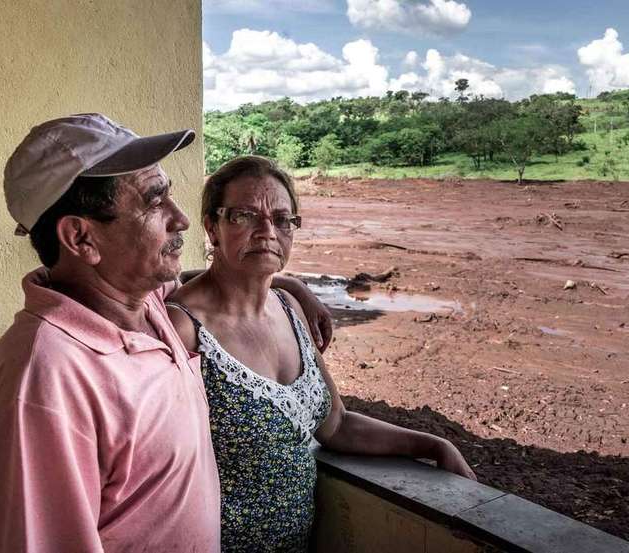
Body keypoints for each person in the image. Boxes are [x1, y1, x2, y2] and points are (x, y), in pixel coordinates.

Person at [0, 114, 331, 553]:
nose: (180, 219)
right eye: (154, 201)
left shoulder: (146, 303)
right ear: (81, 238)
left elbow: (225, 279)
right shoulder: (44, 379)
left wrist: (290, 285)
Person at [167, 155, 477, 553]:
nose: (267, 232)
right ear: (212, 226)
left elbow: (336, 424)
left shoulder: (290, 310)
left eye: (282, 220)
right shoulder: (183, 328)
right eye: (245, 216)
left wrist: (434, 445)